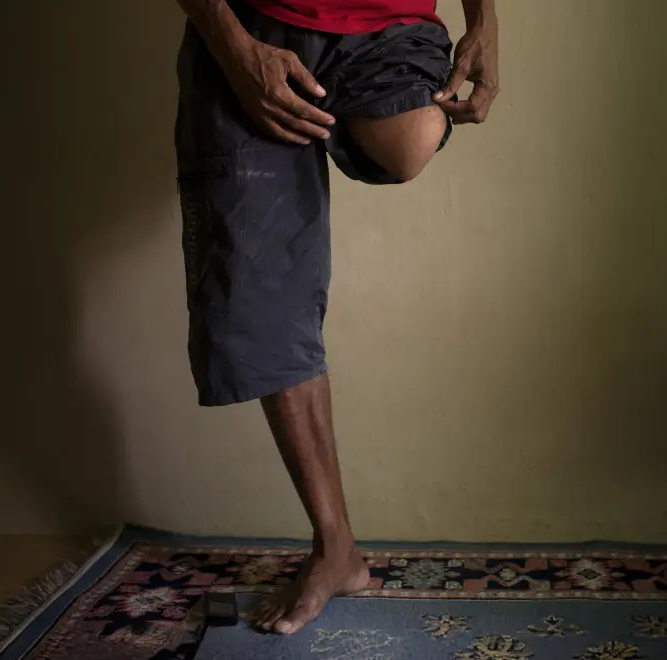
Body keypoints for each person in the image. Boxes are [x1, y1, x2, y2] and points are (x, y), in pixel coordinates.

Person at [171, 0, 499, 636]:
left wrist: (485, 21)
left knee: (407, 143)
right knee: (261, 302)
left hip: (386, 22)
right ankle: (335, 548)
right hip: (253, 25)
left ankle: (336, 550)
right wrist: (233, 48)